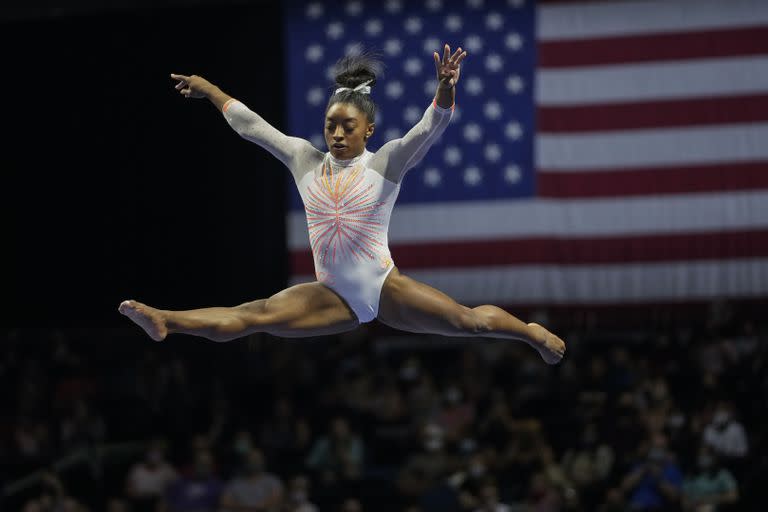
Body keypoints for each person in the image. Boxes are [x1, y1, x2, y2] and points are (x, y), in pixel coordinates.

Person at [118, 44, 565, 365]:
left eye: (347, 126)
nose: (336, 133)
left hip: (383, 285)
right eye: (330, 124)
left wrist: (445, 89)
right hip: (330, 293)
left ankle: (529, 333)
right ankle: (165, 320)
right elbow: (253, 127)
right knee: (253, 316)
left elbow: (429, 129)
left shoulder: (384, 162)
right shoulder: (304, 160)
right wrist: (211, 90)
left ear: (367, 130)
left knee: (470, 323)